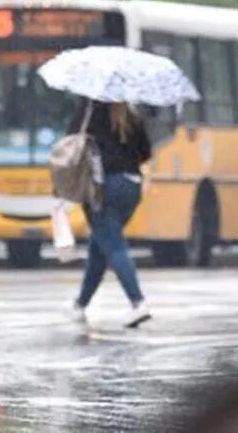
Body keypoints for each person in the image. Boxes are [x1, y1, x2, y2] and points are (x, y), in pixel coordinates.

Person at [66, 100, 152, 328]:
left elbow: (70, 144)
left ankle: (138, 303)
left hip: (103, 187)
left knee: (114, 246)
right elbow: (146, 153)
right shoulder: (132, 113)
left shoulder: (89, 110)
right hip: (132, 186)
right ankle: (80, 305)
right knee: (100, 245)